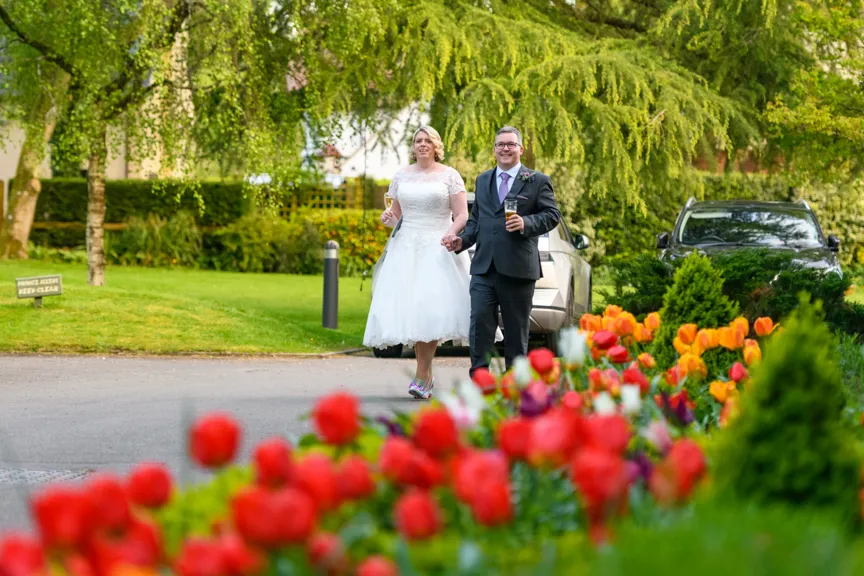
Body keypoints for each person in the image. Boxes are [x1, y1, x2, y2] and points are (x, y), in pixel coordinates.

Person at [364, 126, 490, 399]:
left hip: (437, 247)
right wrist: (389, 220)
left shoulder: (449, 175)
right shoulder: (401, 176)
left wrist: (451, 233)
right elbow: (396, 214)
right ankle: (426, 375)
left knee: (430, 309)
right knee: (414, 311)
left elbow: (461, 215)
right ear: (413, 147)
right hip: (406, 249)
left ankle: (422, 375)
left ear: (436, 146)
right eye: (418, 140)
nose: (422, 144)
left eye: (427, 140)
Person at [443, 126, 561, 377]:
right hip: (484, 268)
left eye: (510, 144)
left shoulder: (537, 180)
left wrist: (526, 223)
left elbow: (552, 216)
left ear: (520, 148)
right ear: (494, 150)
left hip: (518, 269)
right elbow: (476, 222)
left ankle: (514, 385)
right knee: (479, 326)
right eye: (500, 144)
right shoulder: (483, 179)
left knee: (516, 332)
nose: (505, 148)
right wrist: (461, 241)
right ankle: (480, 378)